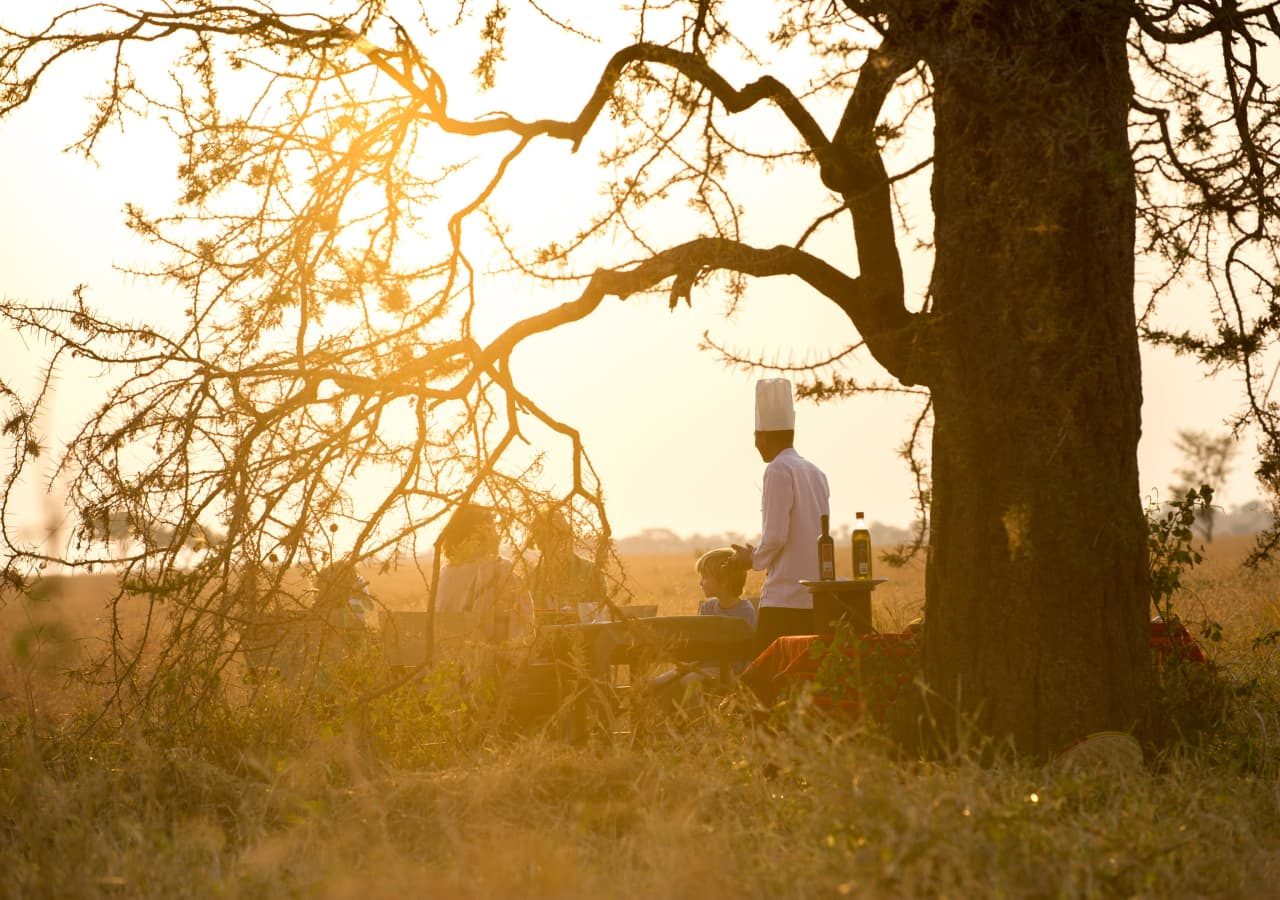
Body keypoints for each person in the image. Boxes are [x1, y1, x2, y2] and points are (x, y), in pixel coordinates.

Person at [731, 377, 831, 654]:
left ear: (762, 436)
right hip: (816, 597)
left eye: (755, 438)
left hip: (784, 599)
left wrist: (751, 560)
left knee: (768, 683)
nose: (755, 445)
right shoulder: (814, 471)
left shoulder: (777, 470)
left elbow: (775, 536)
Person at [434, 504, 534, 646]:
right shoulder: (499, 569)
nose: (498, 536)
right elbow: (524, 628)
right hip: (487, 658)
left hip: (446, 658)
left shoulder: (444, 573)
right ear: (482, 534)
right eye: (493, 529)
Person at [527, 506, 608, 619]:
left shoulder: (591, 572)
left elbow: (600, 616)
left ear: (566, 535)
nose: (542, 544)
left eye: (551, 536)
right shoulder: (534, 578)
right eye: (539, 538)